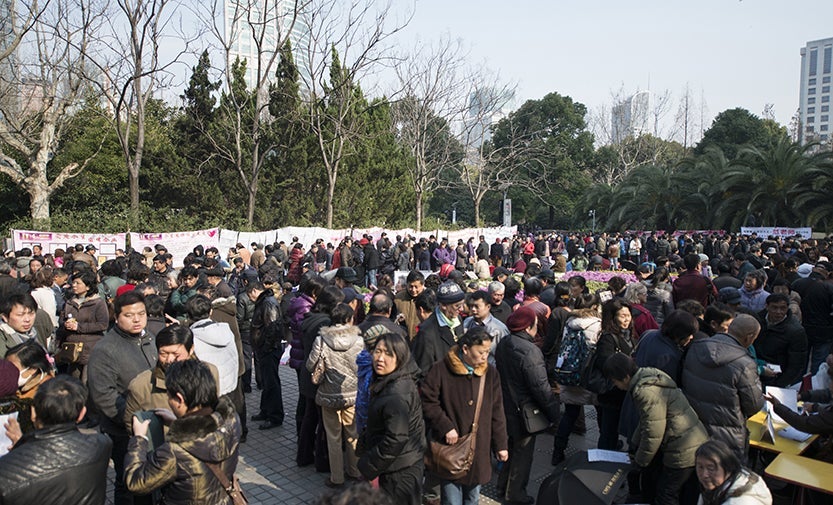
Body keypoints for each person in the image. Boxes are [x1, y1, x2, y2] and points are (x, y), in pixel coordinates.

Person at [124, 360, 241, 504]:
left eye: (169, 396)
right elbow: (206, 437)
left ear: (179, 398)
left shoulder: (175, 450)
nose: (168, 401)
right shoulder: (231, 418)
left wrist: (139, 439)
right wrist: (178, 423)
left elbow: (136, 483)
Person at [604, 354, 708, 505]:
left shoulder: (644, 391)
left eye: (615, 381)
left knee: (666, 494)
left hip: (682, 448)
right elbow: (648, 421)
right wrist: (634, 443)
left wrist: (640, 461)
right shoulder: (648, 375)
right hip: (691, 439)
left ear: (625, 377)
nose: (615, 385)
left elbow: (654, 432)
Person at [421, 326, 509, 505]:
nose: (485, 357)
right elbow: (427, 401)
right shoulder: (441, 369)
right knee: (451, 500)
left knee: (473, 498)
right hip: (450, 449)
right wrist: (445, 426)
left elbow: (497, 411)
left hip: (479, 449)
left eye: (487, 352)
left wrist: (501, 445)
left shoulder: (490, 373)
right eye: (481, 352)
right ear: (466, 349)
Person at [87, 291, 157, 505]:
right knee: (128, 483)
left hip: (153, 425)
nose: (137, 319)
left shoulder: (149, 338)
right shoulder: (106, 349)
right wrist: (132, 421)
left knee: (150, 481)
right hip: (124, 430)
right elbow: (104, 395)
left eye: (141, 313)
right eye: (129, 315)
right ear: (116, 317)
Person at [0, 375, 112, 505]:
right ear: (82, 414)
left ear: (33, 413)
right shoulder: (101, 445)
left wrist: (20, 448)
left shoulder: (5, 471)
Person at [495, 306, 560, 504]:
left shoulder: (505, 342)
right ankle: (515, 495)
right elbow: (540, 388)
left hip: (506, 406)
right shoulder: (530, 351)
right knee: (522, 456)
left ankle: (502, 487)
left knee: (510, 450)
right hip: (525, 412)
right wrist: (554, 412)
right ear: (530, 326)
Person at [681, 314, 763, 462]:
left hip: (693, 426)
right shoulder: (745, 364)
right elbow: (754, 405)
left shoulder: (697, 347)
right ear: (749, 337)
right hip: (728, 435)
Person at [358, 333, 425, 505]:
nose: (380, 358)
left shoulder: (396, 394)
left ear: (400, 358)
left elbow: (396, 438)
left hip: (400, 472)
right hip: (402, 463)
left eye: (388, 354)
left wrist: (368, 464)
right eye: (377, 351)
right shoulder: (395, 380)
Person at [307, 303, 364, 488]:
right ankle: (354, 471)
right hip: (352, 394)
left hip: (328, 395)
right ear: (350, 319)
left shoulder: (322, 339)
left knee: (333, 437)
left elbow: (310, 365)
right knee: (352, 433)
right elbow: (362, 366)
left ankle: (337, 477)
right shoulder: (359, 340)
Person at [552, 292, 602, 464]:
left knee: (570, 414)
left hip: (570, 373)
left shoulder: (569, 322)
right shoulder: (597, 324)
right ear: (595, 307)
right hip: (589, 375)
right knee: (600, 413)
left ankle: (558, 451)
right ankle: (604, 451)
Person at [595, 298, 635, 451]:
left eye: (628, 315)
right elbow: (606, 364)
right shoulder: (608, 338)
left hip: (624, 392)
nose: (626, 319)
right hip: (612, 394)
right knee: (608, 432)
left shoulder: (628, 334)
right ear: (613, 317)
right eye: (622, 316)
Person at [247, 282, 284, 430]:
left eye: (250, 295)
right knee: (267, 382)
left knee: (272, 383)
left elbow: (273, 327)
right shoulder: (266, 301)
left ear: (255, 290)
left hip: (269, 349)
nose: (250, 299)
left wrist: (267, 347)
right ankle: (266, 410)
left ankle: (275, 416)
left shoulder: (268, 303)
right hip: (264, 348)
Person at [412, 281, 466, 379]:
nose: (461, 309)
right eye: (457, 306)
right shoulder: (427, 331)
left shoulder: (458, 320)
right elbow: (424, 370)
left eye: (462, 305)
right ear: (443, 306)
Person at [753, 293, 808, 388]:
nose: (779, 312)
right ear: (767, 307)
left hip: (776, 377)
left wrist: (779, 384)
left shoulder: (796, 331)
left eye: (783, 308)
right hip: (754, 370)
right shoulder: (756, 320)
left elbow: (796, 363)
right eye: (774, 307)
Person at [694, 440, 772, 505]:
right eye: (700, 467)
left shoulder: (738, 502)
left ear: (728, 467)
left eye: (711, 468)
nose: (704, 475)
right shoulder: (718, 488)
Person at [0, 293, 40, 357]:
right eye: (20, 315)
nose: (27, 319)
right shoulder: (3, 339)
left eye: (31, 313)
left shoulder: (33, 332)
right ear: (5, 317)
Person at [394, 270, 425, 340]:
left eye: (416, 287)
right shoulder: (398, 299)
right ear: (407, 284)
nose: (413, 290)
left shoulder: (428, 299)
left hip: (421, 340)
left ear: (422, 285)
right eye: (411, 286)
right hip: (403, 340)